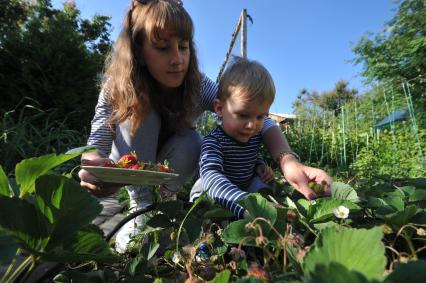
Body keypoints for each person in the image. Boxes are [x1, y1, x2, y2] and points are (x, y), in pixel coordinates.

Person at [78, 0, 332, 252]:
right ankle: (142, 207)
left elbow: (250, 113)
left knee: (192, 141)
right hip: (130, 161)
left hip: (169, 165)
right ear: (140, 51)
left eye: (183, 47)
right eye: (163, 47)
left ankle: (165, 204)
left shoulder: (195, 84)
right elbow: (98, 135)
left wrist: (288, 161)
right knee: (141, 112)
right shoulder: (120, 84)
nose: (177, 59)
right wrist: (92, 164)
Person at [189, 57, 291, 218]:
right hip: (219, 192)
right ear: (219, 109)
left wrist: (260, 166)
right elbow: (213, 175)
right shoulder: (213, 142)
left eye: (260, 117)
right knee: (203, 189)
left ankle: (266, 209)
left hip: (244, 187)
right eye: (243, 115)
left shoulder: (252, 137)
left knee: (264, 185)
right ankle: (206, 224)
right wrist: (244, 204)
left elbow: (251, 156)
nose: (252, 125)